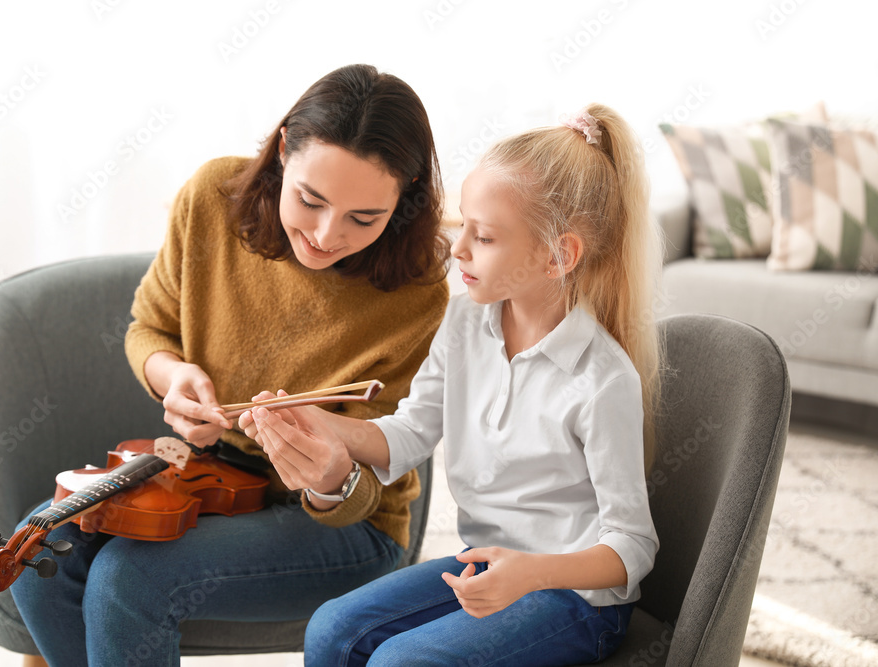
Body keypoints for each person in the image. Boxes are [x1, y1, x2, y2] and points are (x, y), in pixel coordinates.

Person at [9, 63, 452, 667]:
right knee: (40, 552)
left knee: (130, 578)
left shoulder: (416, 291)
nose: (325, 235)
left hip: (343, 524)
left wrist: (326, 479)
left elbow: (375, 481)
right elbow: (150, 329)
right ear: (280, 153)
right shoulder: (212, 199)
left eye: (363, 219)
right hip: (207, 475)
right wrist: (174, 379)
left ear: (403, 202)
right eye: (310, 199)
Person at [244, 104, 664, 666]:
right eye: (461, 223)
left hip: (577, 600)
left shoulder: (601, 378)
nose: (457, 247)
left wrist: (530, 573)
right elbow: (411, 432)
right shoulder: (466, 321)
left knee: (403, 662)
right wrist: (323, 425)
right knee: (332, 631)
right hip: (485, 563)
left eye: (483, 236)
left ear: (558, 255)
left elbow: (632, 547)